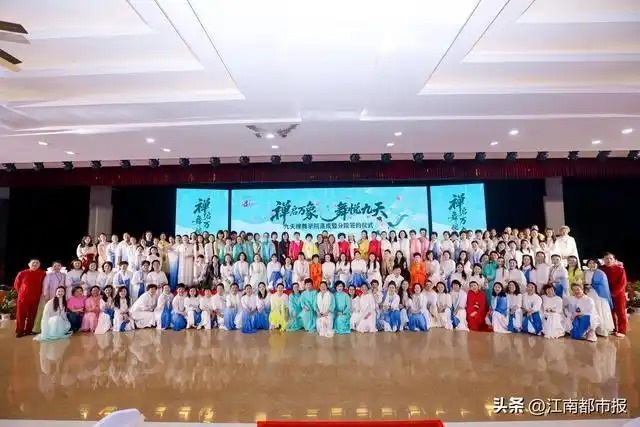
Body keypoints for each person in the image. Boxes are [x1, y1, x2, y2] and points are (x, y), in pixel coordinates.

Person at [14, 259, 46, 338]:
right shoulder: (22, 273)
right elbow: (16, 284)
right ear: (29, 264)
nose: (35, 264)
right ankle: (20, 331)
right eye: (33, 262)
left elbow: (44, 284)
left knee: (32, 315)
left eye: (37, 263)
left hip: (36, 298)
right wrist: (22, 292)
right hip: (23, 298)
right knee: (21, 315)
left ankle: (28, 330)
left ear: (39, 265)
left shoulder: (42, 273)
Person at [600, 252, 628, 338]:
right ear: (603, 260)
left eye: (610, 258)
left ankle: (622, 331)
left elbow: (623, 283)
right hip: (606, 295)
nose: (608, 260)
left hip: (618, 295)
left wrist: (614, 293)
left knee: (621, 313)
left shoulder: (620, 269)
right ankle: (613, 328)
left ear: (614, 260)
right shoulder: (601, 269)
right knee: (609, 312)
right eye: (606, 258)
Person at [584, 259, 614, 336]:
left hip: (598, 294)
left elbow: (603, 285)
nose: (592, 264)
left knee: (599, 310)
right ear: (587, 264)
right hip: (588, 293)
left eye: (594, 263)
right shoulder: (585, 272)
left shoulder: (600, 273)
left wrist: (592, 286)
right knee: (590, 310)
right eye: (590, 263)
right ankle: (589, 329)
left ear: (597, 264)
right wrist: (585, 287)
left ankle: (601, 330)